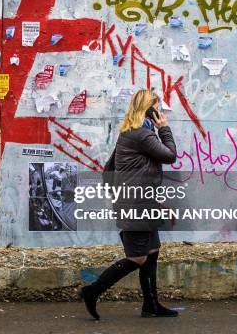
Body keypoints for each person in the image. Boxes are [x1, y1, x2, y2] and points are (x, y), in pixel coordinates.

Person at [78, 89, 179, 319]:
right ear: (149, 109)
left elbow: (108, 171)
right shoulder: (142, 134)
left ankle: (151, 306)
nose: (160, 112)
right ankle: (92, 291)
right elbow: (170, 155)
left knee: (152, 252)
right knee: (138, 257)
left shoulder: (129, 132)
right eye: (157, 107)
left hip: (142, 202)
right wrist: (164, 128)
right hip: (137, 206)